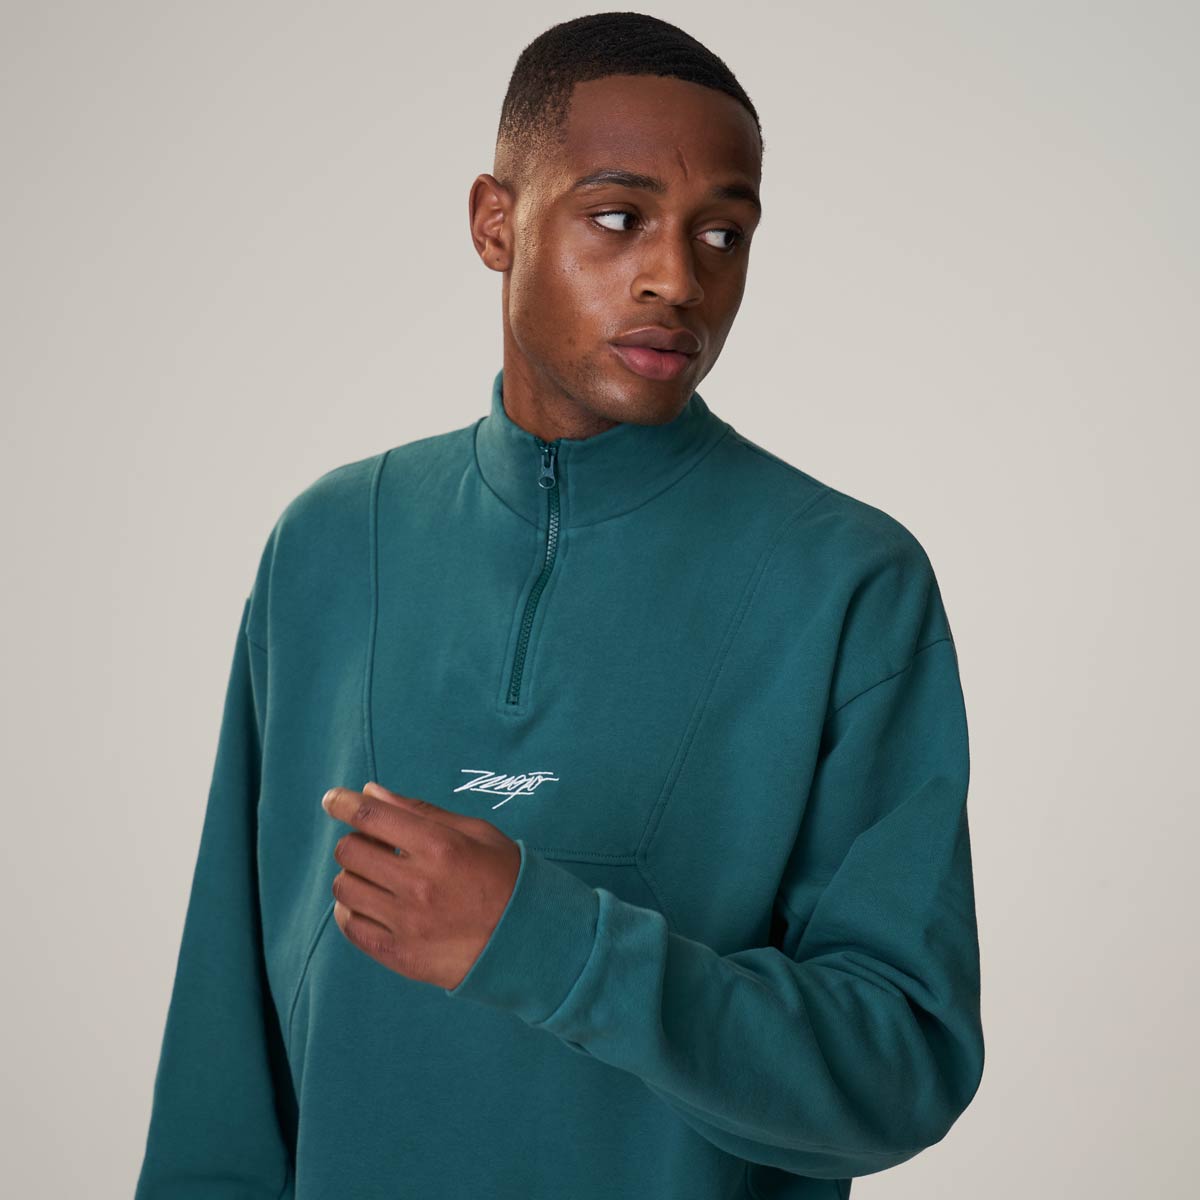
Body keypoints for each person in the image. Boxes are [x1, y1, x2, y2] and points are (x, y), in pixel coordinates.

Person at [134, 12, 984, 1198]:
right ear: (497, 221)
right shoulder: (331, 545)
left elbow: (900, 1071)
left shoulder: (846, 580)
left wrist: (546, 945)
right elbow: (226, 1053)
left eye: (723, 233)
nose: (677, 278)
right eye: (619, 216)